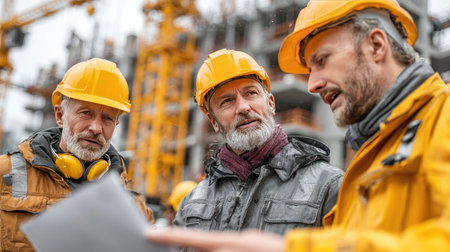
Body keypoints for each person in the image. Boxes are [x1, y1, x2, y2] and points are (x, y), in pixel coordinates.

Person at [145, 0, 450, 251]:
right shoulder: (372, 156)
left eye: (322, 59)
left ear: (376, 45)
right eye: (226, 102)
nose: (313, 84)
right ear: (212, 120)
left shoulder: (441, 120)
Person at [171, 48, 343, 235]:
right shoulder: (191, 205)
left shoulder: (329, 186)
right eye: (227, 101)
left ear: (271, 104)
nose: (243, 107)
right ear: (214, 122)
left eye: (251, 93)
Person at [0, 58, 154, 251]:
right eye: (85, 113)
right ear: (60, 116)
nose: (96, 128)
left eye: (107, 118)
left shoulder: (134, 210)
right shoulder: (4, 175)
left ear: (115, 125)